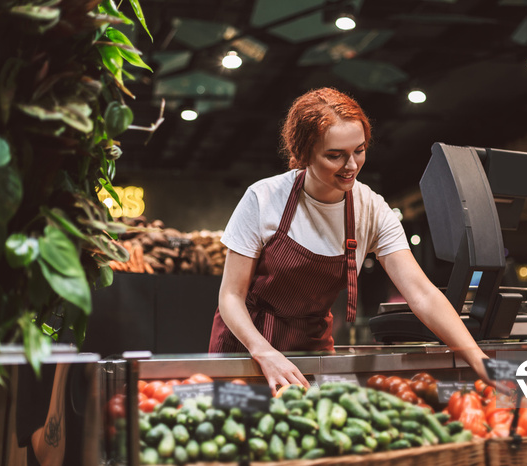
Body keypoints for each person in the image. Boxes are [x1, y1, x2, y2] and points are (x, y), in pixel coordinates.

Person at [209, 87, 490, 393]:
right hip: (247, 349)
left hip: (310, 349)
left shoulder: (371, 208)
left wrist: (478, 358)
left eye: (359, 150)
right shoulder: (263, 198)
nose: (352, 165)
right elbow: (231, 296)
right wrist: (264, 353)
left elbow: (422, 294)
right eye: (335, 155)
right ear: (304, 153)